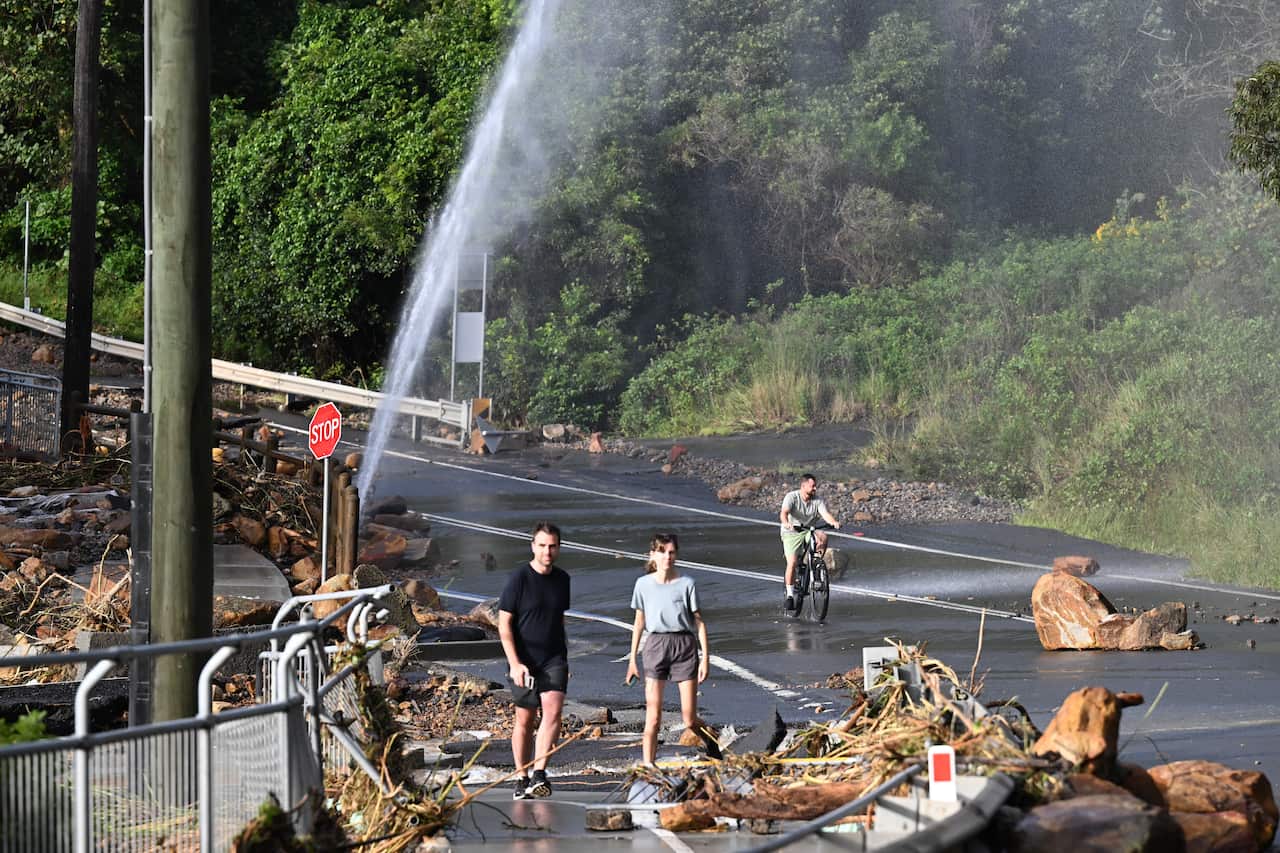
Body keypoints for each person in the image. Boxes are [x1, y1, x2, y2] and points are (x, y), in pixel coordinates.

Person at [498, 522, 571, 799]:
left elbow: (559, 619)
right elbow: (504, 624)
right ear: (533, 547)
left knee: (553, 710)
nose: (547, 551)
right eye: (542, 546)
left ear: (558, 547)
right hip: (523, 659)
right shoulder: (519, 579)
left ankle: (540, 773)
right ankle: (522, 776)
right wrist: (515, 663)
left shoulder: (563, 579)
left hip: (553, 657)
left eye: (552, 546)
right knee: (525, 719)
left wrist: (565, 655)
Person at [624, 532, 710, 766]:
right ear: (653, 554)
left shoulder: (686, 584)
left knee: (689, 718)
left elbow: (699, 622)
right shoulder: (643, 585)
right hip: (655, 647)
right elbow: (639, 622)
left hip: (684, 646)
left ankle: (711, 742)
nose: (667, 557)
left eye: (671, 552)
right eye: (662, 552)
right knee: (653, 718)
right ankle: (648, 766)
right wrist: (632, 659)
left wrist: (705, 658)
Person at [779, 473, 840, 611]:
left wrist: (834, 522)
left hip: (808, 530)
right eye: (812, 486)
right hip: (791, 532)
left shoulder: (817, 500)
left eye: (815, 486)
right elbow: (783, 513)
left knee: (823, 537)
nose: (815, 489)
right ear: (803, 486)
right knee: (793, 563)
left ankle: (816, 566)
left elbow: (826, 514)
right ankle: (789, 595)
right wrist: (787, 523)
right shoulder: (792, 497)